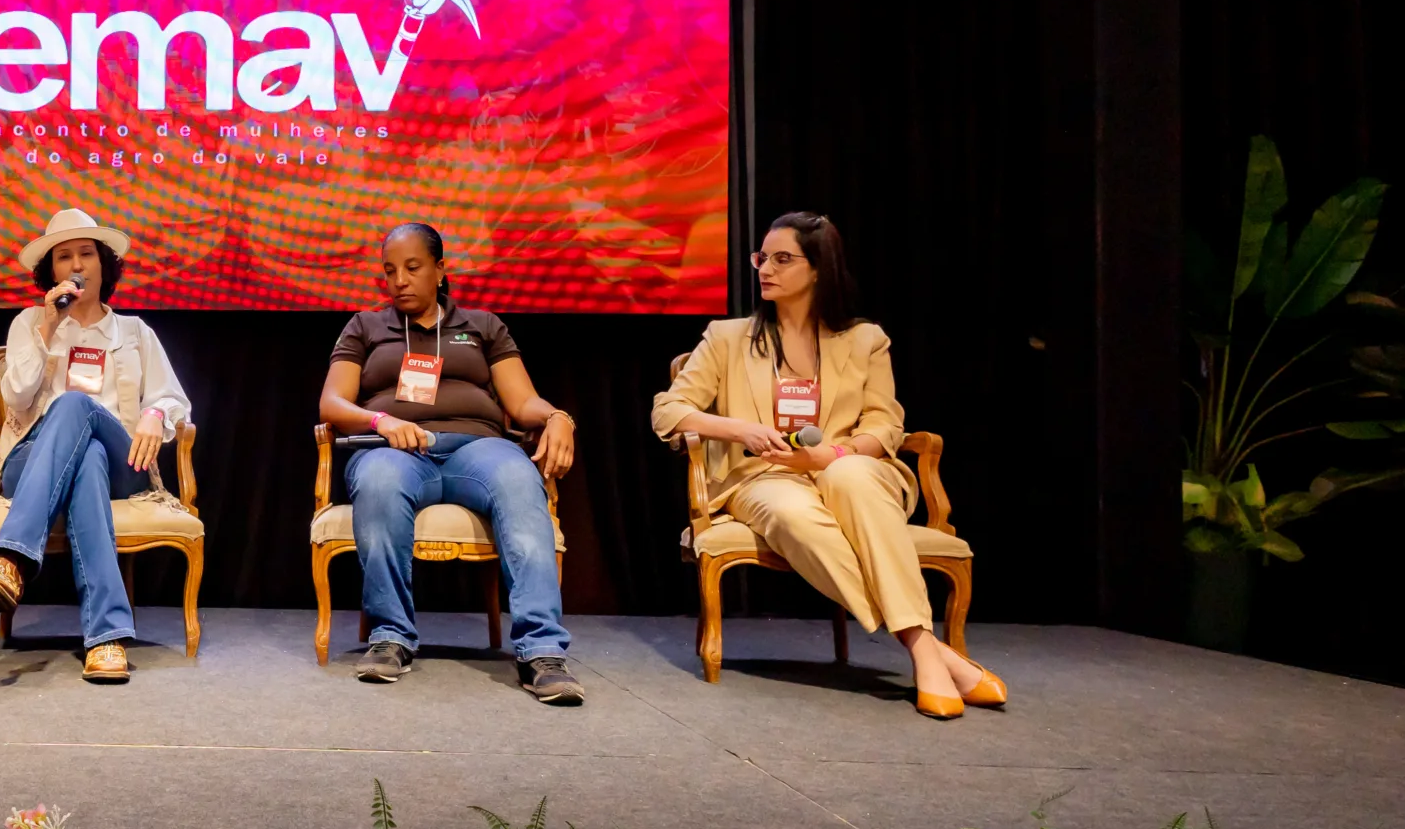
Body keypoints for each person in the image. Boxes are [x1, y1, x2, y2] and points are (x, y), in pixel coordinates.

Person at [650, 210, 1008, 720]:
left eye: (782, 259)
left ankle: (927, 650)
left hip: (852, 469)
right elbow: (667, 411)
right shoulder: (727, 338)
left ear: (818, 269)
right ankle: (926, 648)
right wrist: (740, 429)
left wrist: (831, 454)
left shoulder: (865, 340)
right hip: (764, 476)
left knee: (847, 475)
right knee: (792, 513)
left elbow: (886, 426)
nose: (765, 269)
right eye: (761, 258)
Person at [318, 223, 583, 704]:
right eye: (389, 270)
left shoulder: (482, 325)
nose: (399, 279)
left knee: (520, 480)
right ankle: (390, 637)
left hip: (475, 448)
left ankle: (542, 649)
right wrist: (379, 421)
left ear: (441, 270)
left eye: (413, 268)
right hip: (393, 450)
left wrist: (557, 417)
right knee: (377, 480)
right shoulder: (366, 326)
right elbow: (332, 403)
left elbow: (523, 403)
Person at [0, 207, 191, 683]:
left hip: (123, 461)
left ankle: (11, 561)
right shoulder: (29, 324)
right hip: (32, 457)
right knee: (81, 450)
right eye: (63, 257)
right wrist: (48, 327)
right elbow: (15, 397)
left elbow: (174, 399)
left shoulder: (132, 332)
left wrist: (154, 413)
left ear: (104, 265)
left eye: (86, 254)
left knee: (76, 411)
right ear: (50, 273)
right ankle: (106, 637)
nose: (76, 265)